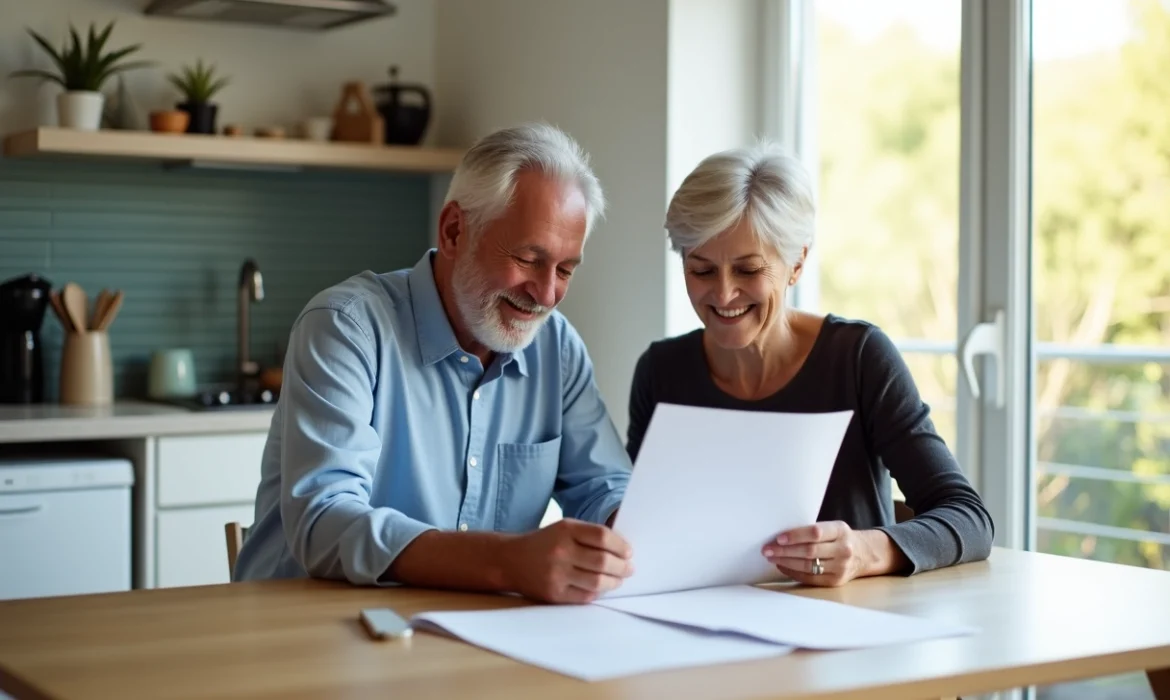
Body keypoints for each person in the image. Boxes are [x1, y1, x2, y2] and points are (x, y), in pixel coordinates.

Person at [234, 123, 635, 604]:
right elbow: (324, 521)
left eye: (566, 269)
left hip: (466, 636)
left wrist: (629, 528)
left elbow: (604, 487)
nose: (547, 294)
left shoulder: (557, 347)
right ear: (453, 231)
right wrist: (507, 562)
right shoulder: (346, 327)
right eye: (529, 259)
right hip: (304, 629)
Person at [628, 143, 994, 587]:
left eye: (748, 271)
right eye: (701, 271)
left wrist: (864, 551)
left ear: (797, 262)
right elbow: (639, 530)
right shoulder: (661, 372)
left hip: (847, 631)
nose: (723, 295)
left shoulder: (858, 358)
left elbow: (969, 518)